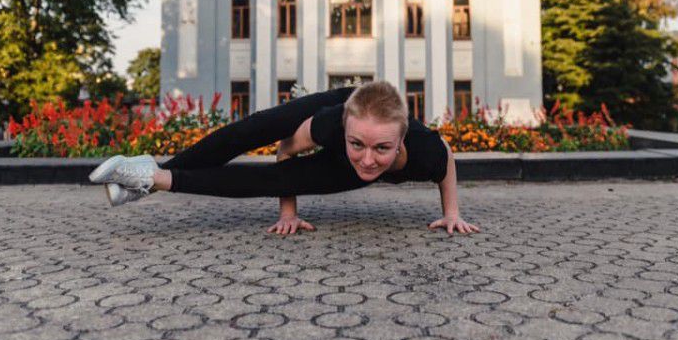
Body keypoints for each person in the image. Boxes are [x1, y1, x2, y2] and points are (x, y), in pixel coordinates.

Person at [89, 81, 480, 236]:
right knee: (255, 128)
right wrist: (288, 211)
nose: (367, 160)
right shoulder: (331, 124)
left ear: (400, 144)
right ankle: (148, 171)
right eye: (358, 145)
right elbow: (286, 151)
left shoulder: (425, 151)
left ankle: (154, 178)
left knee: (266, 182)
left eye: (382, 149)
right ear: (345, 133)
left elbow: (446, 162)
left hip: (372, 121)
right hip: (338, 105)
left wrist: (452, 212)